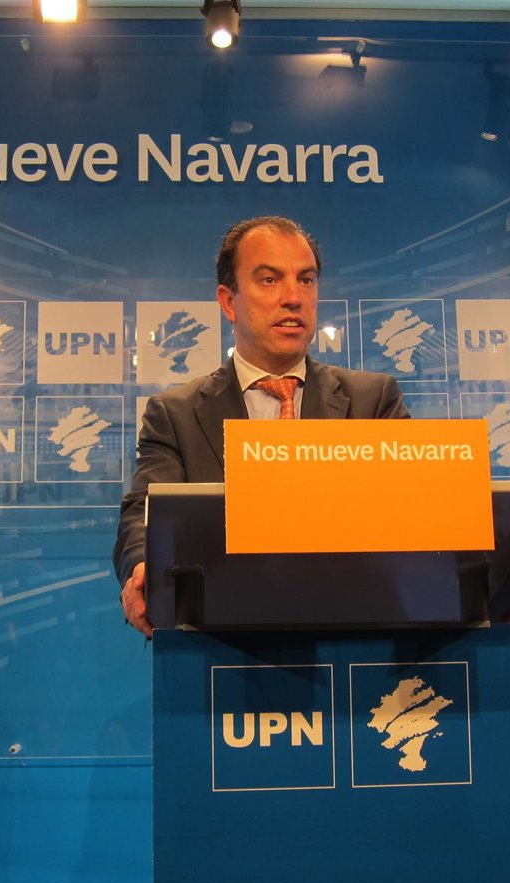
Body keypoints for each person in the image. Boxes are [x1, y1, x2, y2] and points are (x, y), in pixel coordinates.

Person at [114, 216, 409, 637]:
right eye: (270, 280)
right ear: (228, 302)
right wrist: (144, 566)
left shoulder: (373, 401)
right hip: (222, 643)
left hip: (352, 637)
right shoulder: (175, 415)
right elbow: (145, 515)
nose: (294, 298)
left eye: (306, 280)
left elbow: (414, 518)